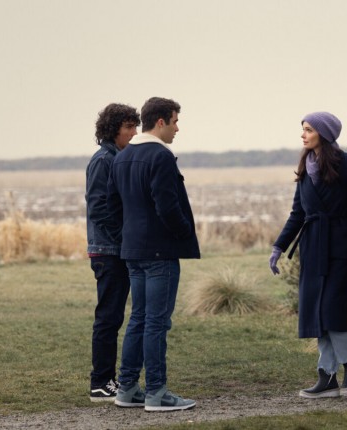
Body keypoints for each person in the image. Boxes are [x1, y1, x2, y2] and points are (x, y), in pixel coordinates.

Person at [270, 111, 347, 398]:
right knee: (316, 311)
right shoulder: (305, 166)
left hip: (339, 243)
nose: (303, 135)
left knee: (330, 309)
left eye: (308, 130)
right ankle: (326, 376)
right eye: (303, 129)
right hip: (312, 246)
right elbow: (298, 213)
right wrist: (279, 246)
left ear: (323, 134)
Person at [111, 97, 200, 412]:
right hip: (160, 251)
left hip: (132, 250)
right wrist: (184, 232)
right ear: (160, 122)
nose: (177, 128)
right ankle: (157, 393)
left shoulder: (123, 156)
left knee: (138, 318)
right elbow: (167, 206)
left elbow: (114, 206)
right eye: (175, 121)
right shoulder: (160, 156)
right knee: (156, 322)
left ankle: (127, 388)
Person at [85, 103, 140, 402]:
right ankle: (101, 382)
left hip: (117, 249)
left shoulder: (117, 157)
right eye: (129, 127)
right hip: (108, 252)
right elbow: (98, 209)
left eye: (135, 126)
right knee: (108, 317)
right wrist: (124, 237)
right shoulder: (103, 160)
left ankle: (109, 380)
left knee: (114, 316)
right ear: (113, 129)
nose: (134, 133)